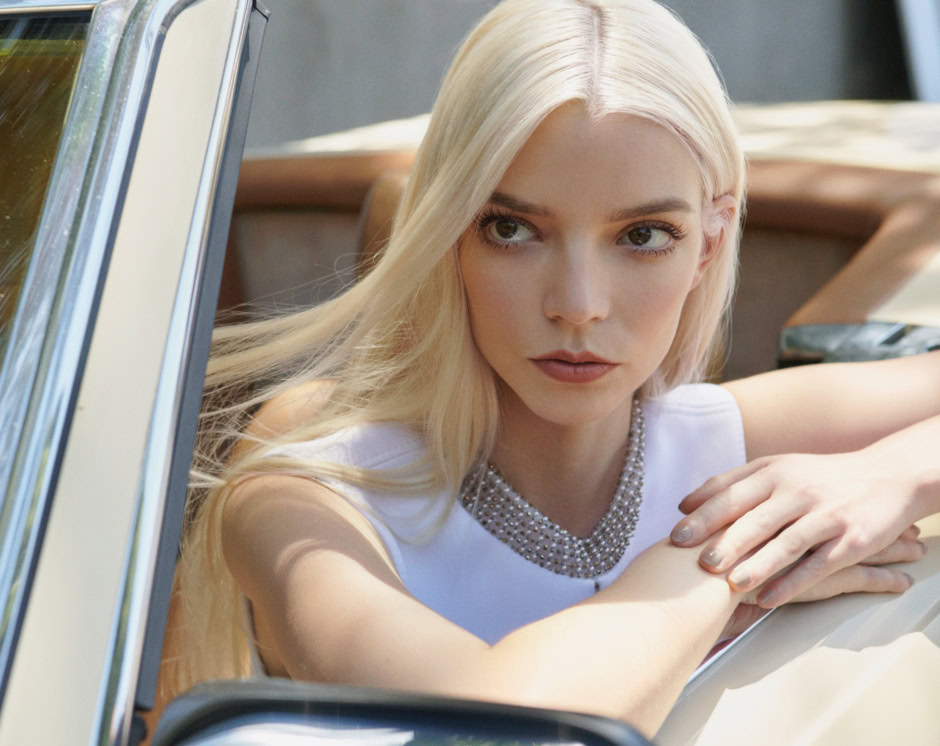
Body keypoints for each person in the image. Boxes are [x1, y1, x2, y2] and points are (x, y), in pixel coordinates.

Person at [168, 0, 940, 737]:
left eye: (643, 235)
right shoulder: (311, 482)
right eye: (512, 228)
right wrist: (726, 567)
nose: (577, 305)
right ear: (448, 234)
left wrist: (882, 477)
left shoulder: (721, 435)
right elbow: (503, 727)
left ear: (709, 241)